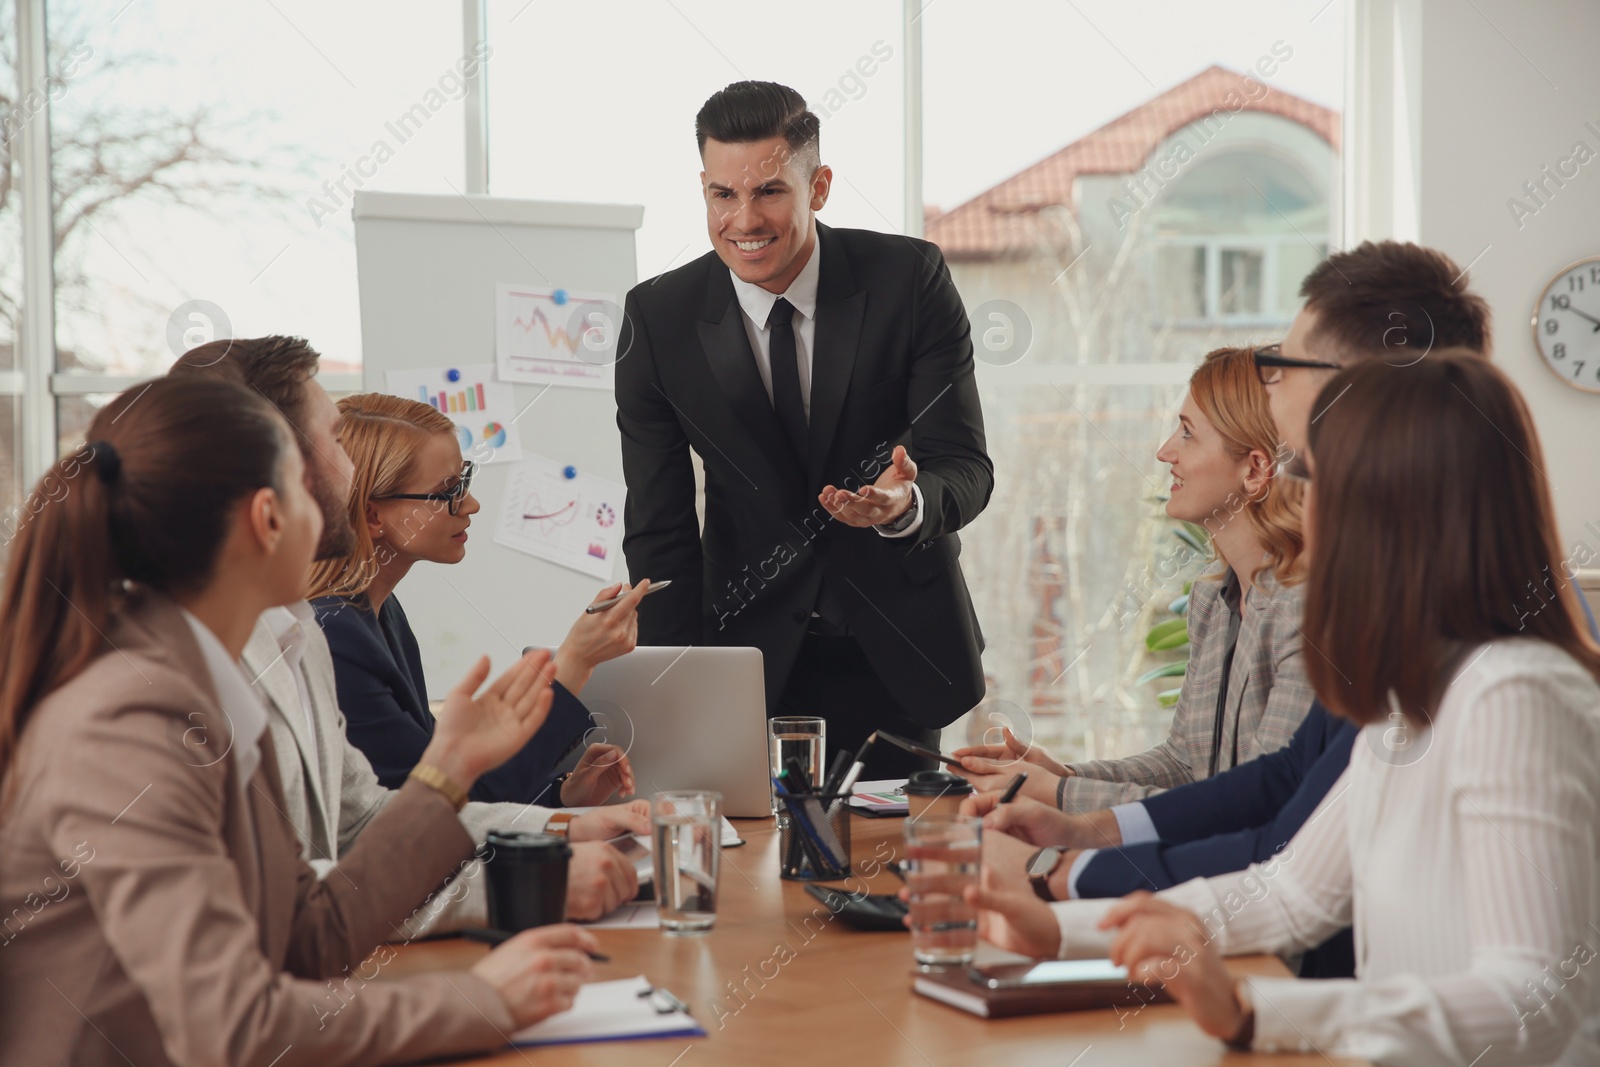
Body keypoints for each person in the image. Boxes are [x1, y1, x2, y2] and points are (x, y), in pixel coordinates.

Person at [968, 353, 1600, 1065]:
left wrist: (1251, 1008)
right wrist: (1063, 932)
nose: (1307, 510)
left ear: (1398, 507)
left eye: (1322, 485)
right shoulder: (1418, 693)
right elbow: (1294, 890)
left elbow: (1533, 996)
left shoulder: (1513, 693)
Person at [0, 377, 603, 1064]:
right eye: (313, 469)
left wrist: (449, 771)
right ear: (268, 518)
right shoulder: (127, 722)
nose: (338, 492)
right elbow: (232, 1025)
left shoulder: (209, 693)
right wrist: (479, 1001)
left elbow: (312, 931)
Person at [947, 240, 1495, 980]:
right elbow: (1286, 831)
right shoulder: (1388, 600)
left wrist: (1065, 873)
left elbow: (1282, 843)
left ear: (1349, 392)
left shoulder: (1466, 648)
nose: (1269, 379)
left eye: (1286, 363)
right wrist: (1075, 838)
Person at [170, 337, 642, 928]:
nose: (468, 505)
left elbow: (373, 822)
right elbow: (305, 896)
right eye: (336, 443)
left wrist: (561, 822)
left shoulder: (314, 630)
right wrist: (535, 875)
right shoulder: (298, 640)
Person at [616, 80, 993, 779]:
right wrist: (672, 693)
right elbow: (659, 527)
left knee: (889, 872)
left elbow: (964, 464)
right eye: (722, 195)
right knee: (751, 875)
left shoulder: (907, 280)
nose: (744, 219)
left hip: (897, 650)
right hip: (745, 661)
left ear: (818, 186)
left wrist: (904, 506)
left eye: (769, 192)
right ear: (703, 189)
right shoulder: (658, 320)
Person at [956, 346, 1313, 814]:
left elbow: (1256, 804)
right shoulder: (1215, 598)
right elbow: (1185, 764)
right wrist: (1061, 775)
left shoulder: (1304, 614)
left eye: (1187, 434)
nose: (1165, 452)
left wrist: (1060, 796)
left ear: (1255, 470)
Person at [308, 392, 648, 808]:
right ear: (375, 515)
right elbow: (438, 808)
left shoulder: (381, 614)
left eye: (464, 481)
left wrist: (561, 792)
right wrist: (575, 661)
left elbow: (442, 774)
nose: (470, 504)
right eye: (448, 491)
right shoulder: (335, 638)